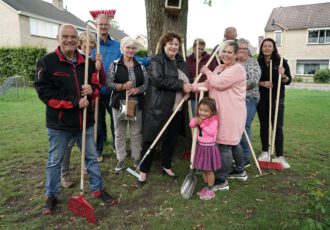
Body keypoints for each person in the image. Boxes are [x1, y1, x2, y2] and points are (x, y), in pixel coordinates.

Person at [35, 24, 118, 215]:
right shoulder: (47, 62)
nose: (70, 40)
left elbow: (97, 86)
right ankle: (51, 195)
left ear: (77, 40)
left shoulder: (85, 61)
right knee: (55, 161)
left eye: (73, 36)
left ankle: (98, 189)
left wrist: (92, 91)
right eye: (65, 36)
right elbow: (45, 94)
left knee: (91, 158)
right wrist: (74, 102)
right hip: (60, 124)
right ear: (58, 38)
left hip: (85, 123)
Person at [137, 32, 192, 186]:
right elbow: (158, 80)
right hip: (159, 107)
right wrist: (181, 85)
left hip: (178, 108)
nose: (174, 46)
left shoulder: (181, 62)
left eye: (176, 44)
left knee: (171, 139)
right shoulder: (157, 60)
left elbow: (188, 80)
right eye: (170, 44)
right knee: (151, 138)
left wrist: (187, 92)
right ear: (164, 45)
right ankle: (143, 170)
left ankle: (166, 165)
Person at [195, 40, 247, 191]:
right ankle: (240, 170)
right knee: (234, 142)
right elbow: (209, 84)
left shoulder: (237, 69)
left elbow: (218, 82)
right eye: (223, 51)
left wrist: (207, 71)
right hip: (223, 111)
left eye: (229, 52)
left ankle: (222, 180)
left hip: (231, 112)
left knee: (225, 144)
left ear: (236, 55)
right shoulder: (219, 67)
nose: (225, 54)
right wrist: (192, 87)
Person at [60, 31, 104, 188]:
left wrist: (99, 68)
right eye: (86, 43)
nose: (90, 46)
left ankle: (88, 168)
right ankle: (64, 174)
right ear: (80, 43)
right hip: (69, 111)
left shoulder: (91, 61)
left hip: (86, 110)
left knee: (86, 142)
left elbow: (99, 83)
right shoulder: (70, 59)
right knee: (68, 144)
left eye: (92, 43)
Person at [106, 37, 148, 173]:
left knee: (136, 132)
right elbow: (108, 84)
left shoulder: (140, 65)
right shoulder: (115, 65)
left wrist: (137, 89)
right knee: (120, 132)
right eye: (128, 47)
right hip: (119, 103)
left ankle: (136, 157)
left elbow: (146, 84)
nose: (131, 50)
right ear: (122, 48)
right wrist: (122, 86)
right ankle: (121, 159)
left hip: (135, 102)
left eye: (133, 48)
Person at [257, 38, 292, 169]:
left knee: (277, 126)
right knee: (264, 125)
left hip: (277, 99)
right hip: (262, 99)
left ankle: (280, 155)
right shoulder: (258, 62)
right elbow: (253, 80)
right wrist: (262, 83)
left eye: (269, 46)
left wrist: (283, 75)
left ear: (273, 48)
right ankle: (265, 151)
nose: (267, 48)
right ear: (261, 48)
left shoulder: (281, 62)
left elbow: (288, 80)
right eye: (264, 46)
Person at [189, 97, 221, 200]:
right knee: (203, 169)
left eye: (206, 111)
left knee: (208, 170)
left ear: (212, 111)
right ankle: (206, 187)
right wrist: (195, 121)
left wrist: (201, 124)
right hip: (201, 147)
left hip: (209, 148)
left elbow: (211, 132)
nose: (202, 113)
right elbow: (191, 124)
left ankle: (211, 190)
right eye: (201, 110)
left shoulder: (214, 120)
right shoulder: (199, 118)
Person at [237, 38, 261, 168]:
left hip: (248, 99)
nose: (242, 51)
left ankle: (245, 158)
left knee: (243, 127)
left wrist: (234, 86)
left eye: (244, 49)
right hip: (234, 99)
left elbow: (252, 81)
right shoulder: (233, 63)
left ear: (248, 50)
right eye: (239, 48)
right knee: (235, 128)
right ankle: (237, 156)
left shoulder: (252, 63)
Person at [186, 38, 217, 114]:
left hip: (206, 94)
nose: (199, 51)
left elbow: (214, 74)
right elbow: (185, 75)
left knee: (206, 116)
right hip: (194, 94)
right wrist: (191, 79)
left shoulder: (210, 59)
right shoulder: (188, 60)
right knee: (196, 114)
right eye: (198, 48)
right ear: (193, 48)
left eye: (201, 49)